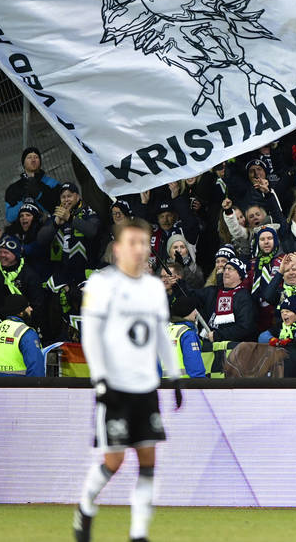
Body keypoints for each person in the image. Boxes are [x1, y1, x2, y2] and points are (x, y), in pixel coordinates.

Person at [73, 217, 183, 542]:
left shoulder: (153, 287)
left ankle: (138, 534)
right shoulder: (102, 284)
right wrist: (100, 380)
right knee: (114, 460)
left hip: (146, 386)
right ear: (117, 248)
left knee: (148, 460)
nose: (138, 249)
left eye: (143, 243)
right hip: (115, 387)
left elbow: (162, 334)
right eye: (131, 243)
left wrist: (174, 376)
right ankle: (85, 506)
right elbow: (90, 335)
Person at [0, 294, 44, 377]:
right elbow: (36, 369)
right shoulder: (26, 333)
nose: (31, 309)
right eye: (27, 306)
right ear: (21, 313)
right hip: (19, 388)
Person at [166, 295, 207, 378]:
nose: (196, 313)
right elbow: (194, 364)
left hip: (162, 386)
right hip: (184, 386)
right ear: (187, 312)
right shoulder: (188, 334)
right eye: (194, 310)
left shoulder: (166, 330)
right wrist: (200, 383)